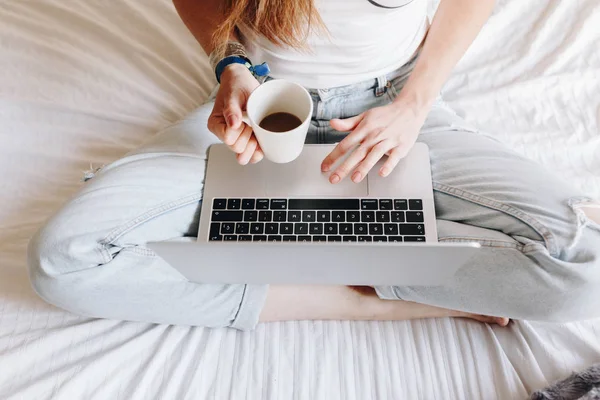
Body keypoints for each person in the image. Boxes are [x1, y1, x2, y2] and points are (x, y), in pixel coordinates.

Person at [27, 0, 600, 331]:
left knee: (586, 268)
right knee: (65, 260)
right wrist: (230, 64)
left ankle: (334, 245)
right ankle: (371, 298)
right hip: (260, 100)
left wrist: (414, 105)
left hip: (395, 103)